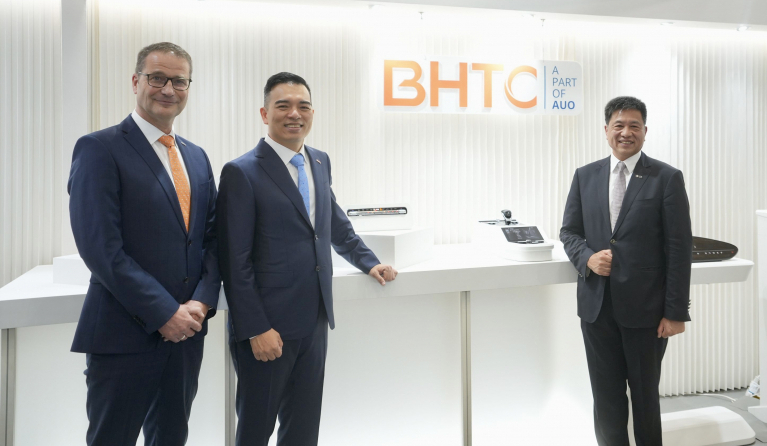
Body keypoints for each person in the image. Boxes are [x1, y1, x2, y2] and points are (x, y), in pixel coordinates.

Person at [217, 72, 397, 446]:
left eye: (303, 106)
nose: (294, 114)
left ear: (312, 113)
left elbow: (332, 221)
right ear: (264, 114)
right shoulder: (241, 172)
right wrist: (255, 328)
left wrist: (368, 261)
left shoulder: (318, 160)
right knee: (255, 429)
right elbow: (235, 260)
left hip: (314, 319)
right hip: (267, 327)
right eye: (283, 105)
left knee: (302, 429)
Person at [68, 42, 220, 446]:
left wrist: (201, 302)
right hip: (124, 335)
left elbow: (211, 240)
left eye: (179, 81)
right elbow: (101, 249)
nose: (168, 89)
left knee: (171, 437)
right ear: (136, 82)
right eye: (157, 78)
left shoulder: (197, 157)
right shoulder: (100, 148)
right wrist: (164, 312)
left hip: (186, 336)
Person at [560, 96, 692, 445]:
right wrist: (587, 258)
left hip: (647, 311)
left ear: (645, 131)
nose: (626, 132)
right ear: (606, 130)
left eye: (634, 125)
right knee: (606, 400)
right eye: (618, 125)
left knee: (646, 399)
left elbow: (679, 249)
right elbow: (569, 232)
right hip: (597, 309)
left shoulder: (666, 177)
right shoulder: (585, 176)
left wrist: (676, 312)